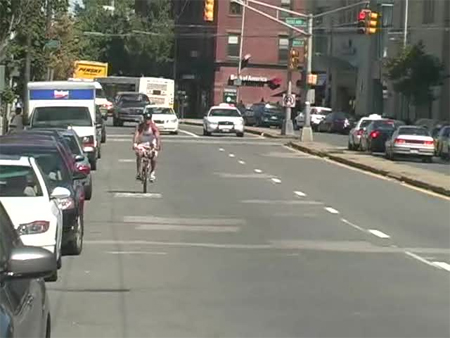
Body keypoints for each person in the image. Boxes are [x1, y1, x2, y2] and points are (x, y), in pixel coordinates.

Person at [133, 110, 161, 182]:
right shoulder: (140, 126)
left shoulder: (153, 127)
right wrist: (135, 144)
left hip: (151, 144)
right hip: (142, 144)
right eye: (146, 119)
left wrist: (158, 146)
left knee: (153, 158)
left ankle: (152, 173)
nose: (147, 121)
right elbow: (136, 135)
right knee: (139, 154)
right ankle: (138, 172)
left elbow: (157, 137)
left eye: (148, 119)